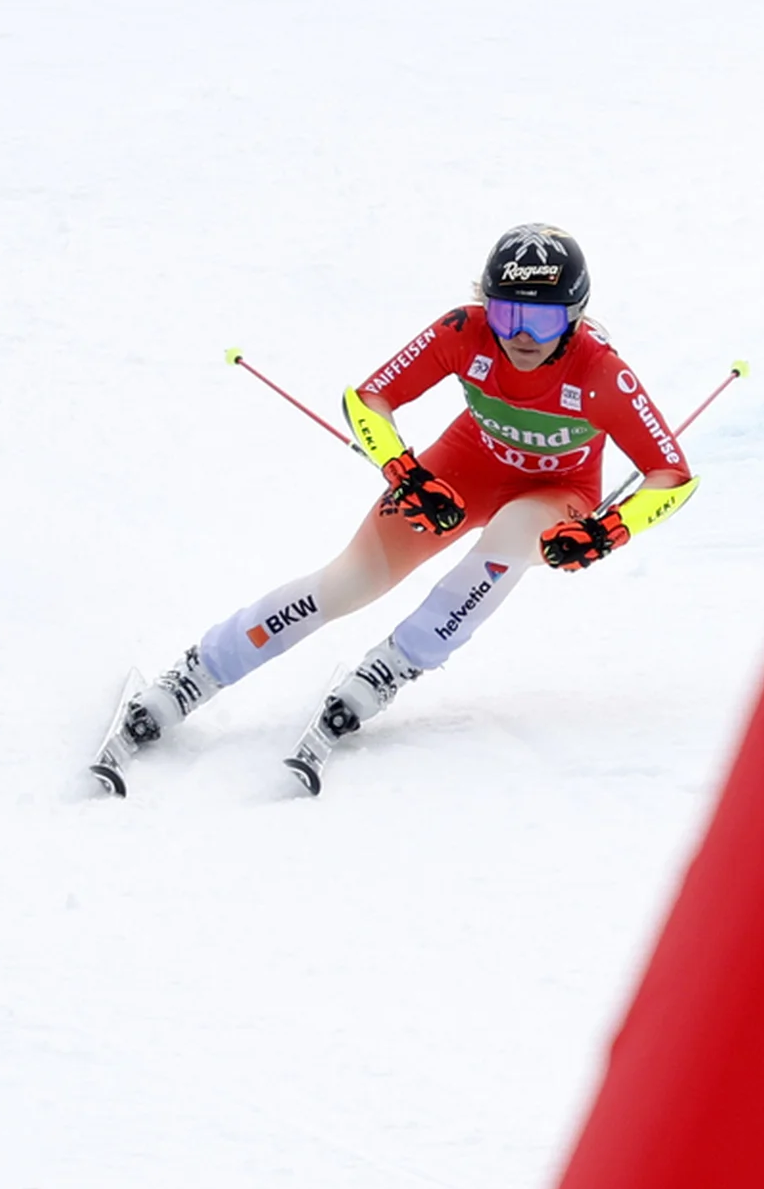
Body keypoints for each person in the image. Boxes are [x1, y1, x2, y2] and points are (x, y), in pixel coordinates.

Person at [98, 224, 698, 792]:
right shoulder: (464, 332)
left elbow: (671, 476)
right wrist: (404, 472)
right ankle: (196, 673)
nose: (521, 336)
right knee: (347, 582)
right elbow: (369, 398)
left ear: (573, 319)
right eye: (507, 313)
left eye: (542, 321)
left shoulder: (600, 374)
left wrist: (611, 530)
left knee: (512, 537)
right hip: (465, 469)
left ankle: (395, 664)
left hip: (556, 492)